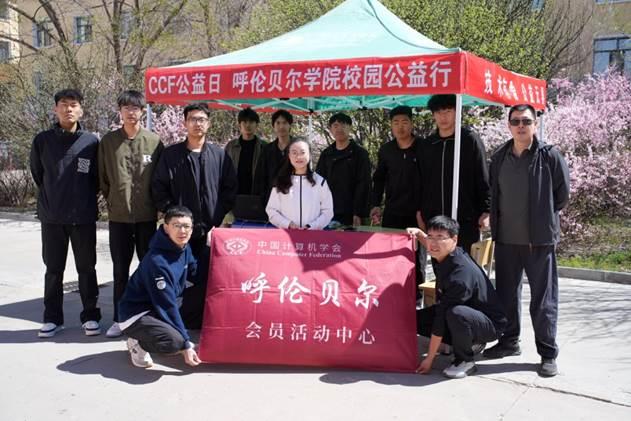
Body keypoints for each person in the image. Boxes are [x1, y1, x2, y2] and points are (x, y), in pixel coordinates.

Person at [482, 104, 570, 378]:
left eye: (526, 121)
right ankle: (509, 342)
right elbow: (494, 194)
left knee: (543, 301)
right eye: (516, 121)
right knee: (506, 296)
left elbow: (562, 195)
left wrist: (542, 221)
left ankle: (547, 353)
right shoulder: (499, 157)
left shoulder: (549, 156)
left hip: (539, 243)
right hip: (506, 241)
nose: (521, 126)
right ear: (509, 125)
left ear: (535, 124)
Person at [151, 103, 238, 328]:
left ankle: (200, 319)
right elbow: (159, 188)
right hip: (180, 232)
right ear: (184, 123)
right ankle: (172, 318)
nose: (197, 124)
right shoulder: (171, 155)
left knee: (208, 275)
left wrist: (219, 220)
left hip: (211, 230)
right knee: (176, 276)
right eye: (192, 119)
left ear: (208, 124)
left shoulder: (220, 156)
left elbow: (230, 190)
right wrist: (174, 218)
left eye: (201, 119)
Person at [30, 88, 101, 338]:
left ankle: (90, 316)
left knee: (87, 268)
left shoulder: (91, 141)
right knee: (53, 270)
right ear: (55, 109)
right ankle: (52, 318)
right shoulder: (42, 140)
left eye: (73, 104)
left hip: (83, 216)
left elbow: (97, 178)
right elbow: (38, 174)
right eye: (63, 104)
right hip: (52, 216)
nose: (68, 109)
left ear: (81, 110)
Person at [407, 216, 507, 379]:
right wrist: (419, 233)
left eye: (440, 237)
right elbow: (432, 245)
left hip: (489, 324)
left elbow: (441, 318)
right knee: (415, 320)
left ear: (454, 239)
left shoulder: (460, 275)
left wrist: (430, 359)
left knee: (455, 313)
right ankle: (469, 342)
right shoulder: (448, 253)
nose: (433, 243)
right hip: (467, 312)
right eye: (431, 236)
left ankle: (465, 360)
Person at [98, 90, 163, 338]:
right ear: (120, 111)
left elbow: (159, 179)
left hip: (146, 216)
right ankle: (119, 318)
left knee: (148, 268)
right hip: (119, 218)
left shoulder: (154, 142)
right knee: (120, 269)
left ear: (142, 111)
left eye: (135, 108)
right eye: (126, 107)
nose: (131, 112)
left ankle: (148, 316)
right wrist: (115, 200)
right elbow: (103, 178)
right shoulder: (108, 142)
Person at [118, 206, 201, 368]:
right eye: (176, 226)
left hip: (157, 307)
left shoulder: (184, 248)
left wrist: (213, 246)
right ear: (166, 228)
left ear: (192, 229)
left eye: (186, 226)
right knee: (174, 342)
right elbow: (166, 305)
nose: (182, 231)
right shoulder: (157, 262)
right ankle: (138, 344)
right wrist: (185, 344)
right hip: (136, 314)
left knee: (202, 290)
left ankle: (164, 333)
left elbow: (196, 273)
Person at [417, 94, 490, 255]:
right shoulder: (428, 145)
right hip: (434, 218)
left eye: (448, 111)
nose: (443, 117)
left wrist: (487, 210)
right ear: (433, 115)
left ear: (457, 112)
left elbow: (482, 176)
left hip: (465, 218)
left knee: (463, 262)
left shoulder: (469, 140)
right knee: (439, 262)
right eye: (439, 112)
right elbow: (421, 181)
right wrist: (420, 212)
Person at [370, 105, 426, 296]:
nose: (400, 127)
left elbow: (431, 180)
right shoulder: (386, 150)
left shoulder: (423, 147)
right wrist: (376, 205)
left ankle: (416, 299)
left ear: (412, 124)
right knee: (391, 256)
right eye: (396, 123)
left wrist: (425, 210)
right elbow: (378, 179)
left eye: (404, 122)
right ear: (391, 126)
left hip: (417, 213)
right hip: (393, 211)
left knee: (416, 258)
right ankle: (392, 297)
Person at [315, 113, 371, 226]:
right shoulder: (326, 154)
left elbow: (364, 184)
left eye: (343, 125)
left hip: (352, 212)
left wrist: (358, 213)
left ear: (350, 127)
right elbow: (319, 182)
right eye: (335, 126)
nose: (339, 129)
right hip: (329, 210)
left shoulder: (360, 154)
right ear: (330, 129)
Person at [266, 138, 334, 230]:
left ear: (309, 155)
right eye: (294, 153)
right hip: (287, 234)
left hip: (313, 235)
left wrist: (312, 226)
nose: (298, 157)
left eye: (303, 152)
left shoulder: (320, 182)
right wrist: (288, 224)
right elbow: (271, 210)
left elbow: (328, 211)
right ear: (289, 156)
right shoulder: (280, 181)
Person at [253, 109, 294, 206]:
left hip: (293, 197)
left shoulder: (298, 147)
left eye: (284, 123)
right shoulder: (267, 150)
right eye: (278, 123)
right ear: (273, 126)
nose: (281, 126)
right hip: (271, 199)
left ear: (290, 125)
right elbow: (260, 177)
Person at [224, 107, 266, 195]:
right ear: (239, 125)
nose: (248, 125)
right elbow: (224, 170)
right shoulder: (231, 146)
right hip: (234, 194)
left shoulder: (264, 147)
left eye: (251, 122)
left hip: (257, 194)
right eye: (244, 122)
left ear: (256, 125)